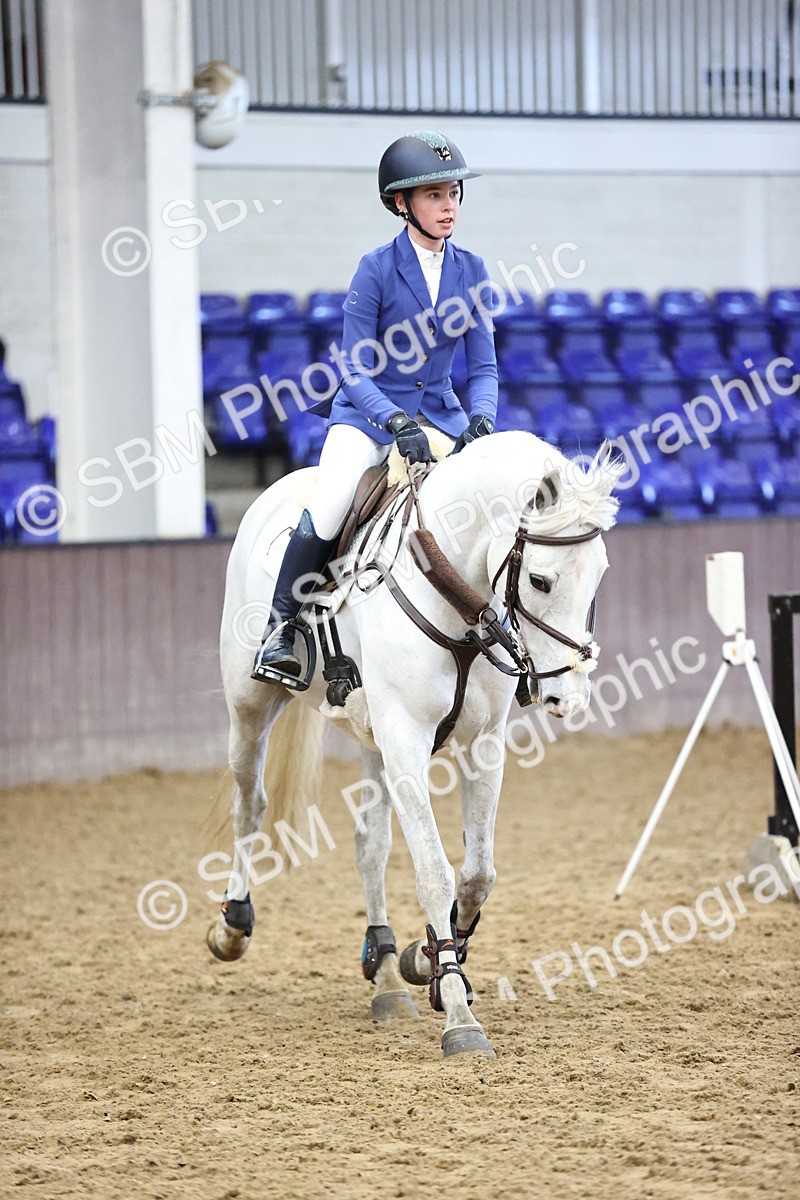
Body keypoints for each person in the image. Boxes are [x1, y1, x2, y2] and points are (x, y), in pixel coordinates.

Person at [251, 130, 498, 685]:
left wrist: (482, 418)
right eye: (433, 195)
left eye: (453, 193)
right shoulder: (376, 269)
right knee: (335, 498)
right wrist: (392, 421)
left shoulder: (473, 270)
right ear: (401, 203)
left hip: (441, 415)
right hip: (369, 414)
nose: (448, 205)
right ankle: (281, 630)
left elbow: (483, 368)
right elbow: (356, 369)